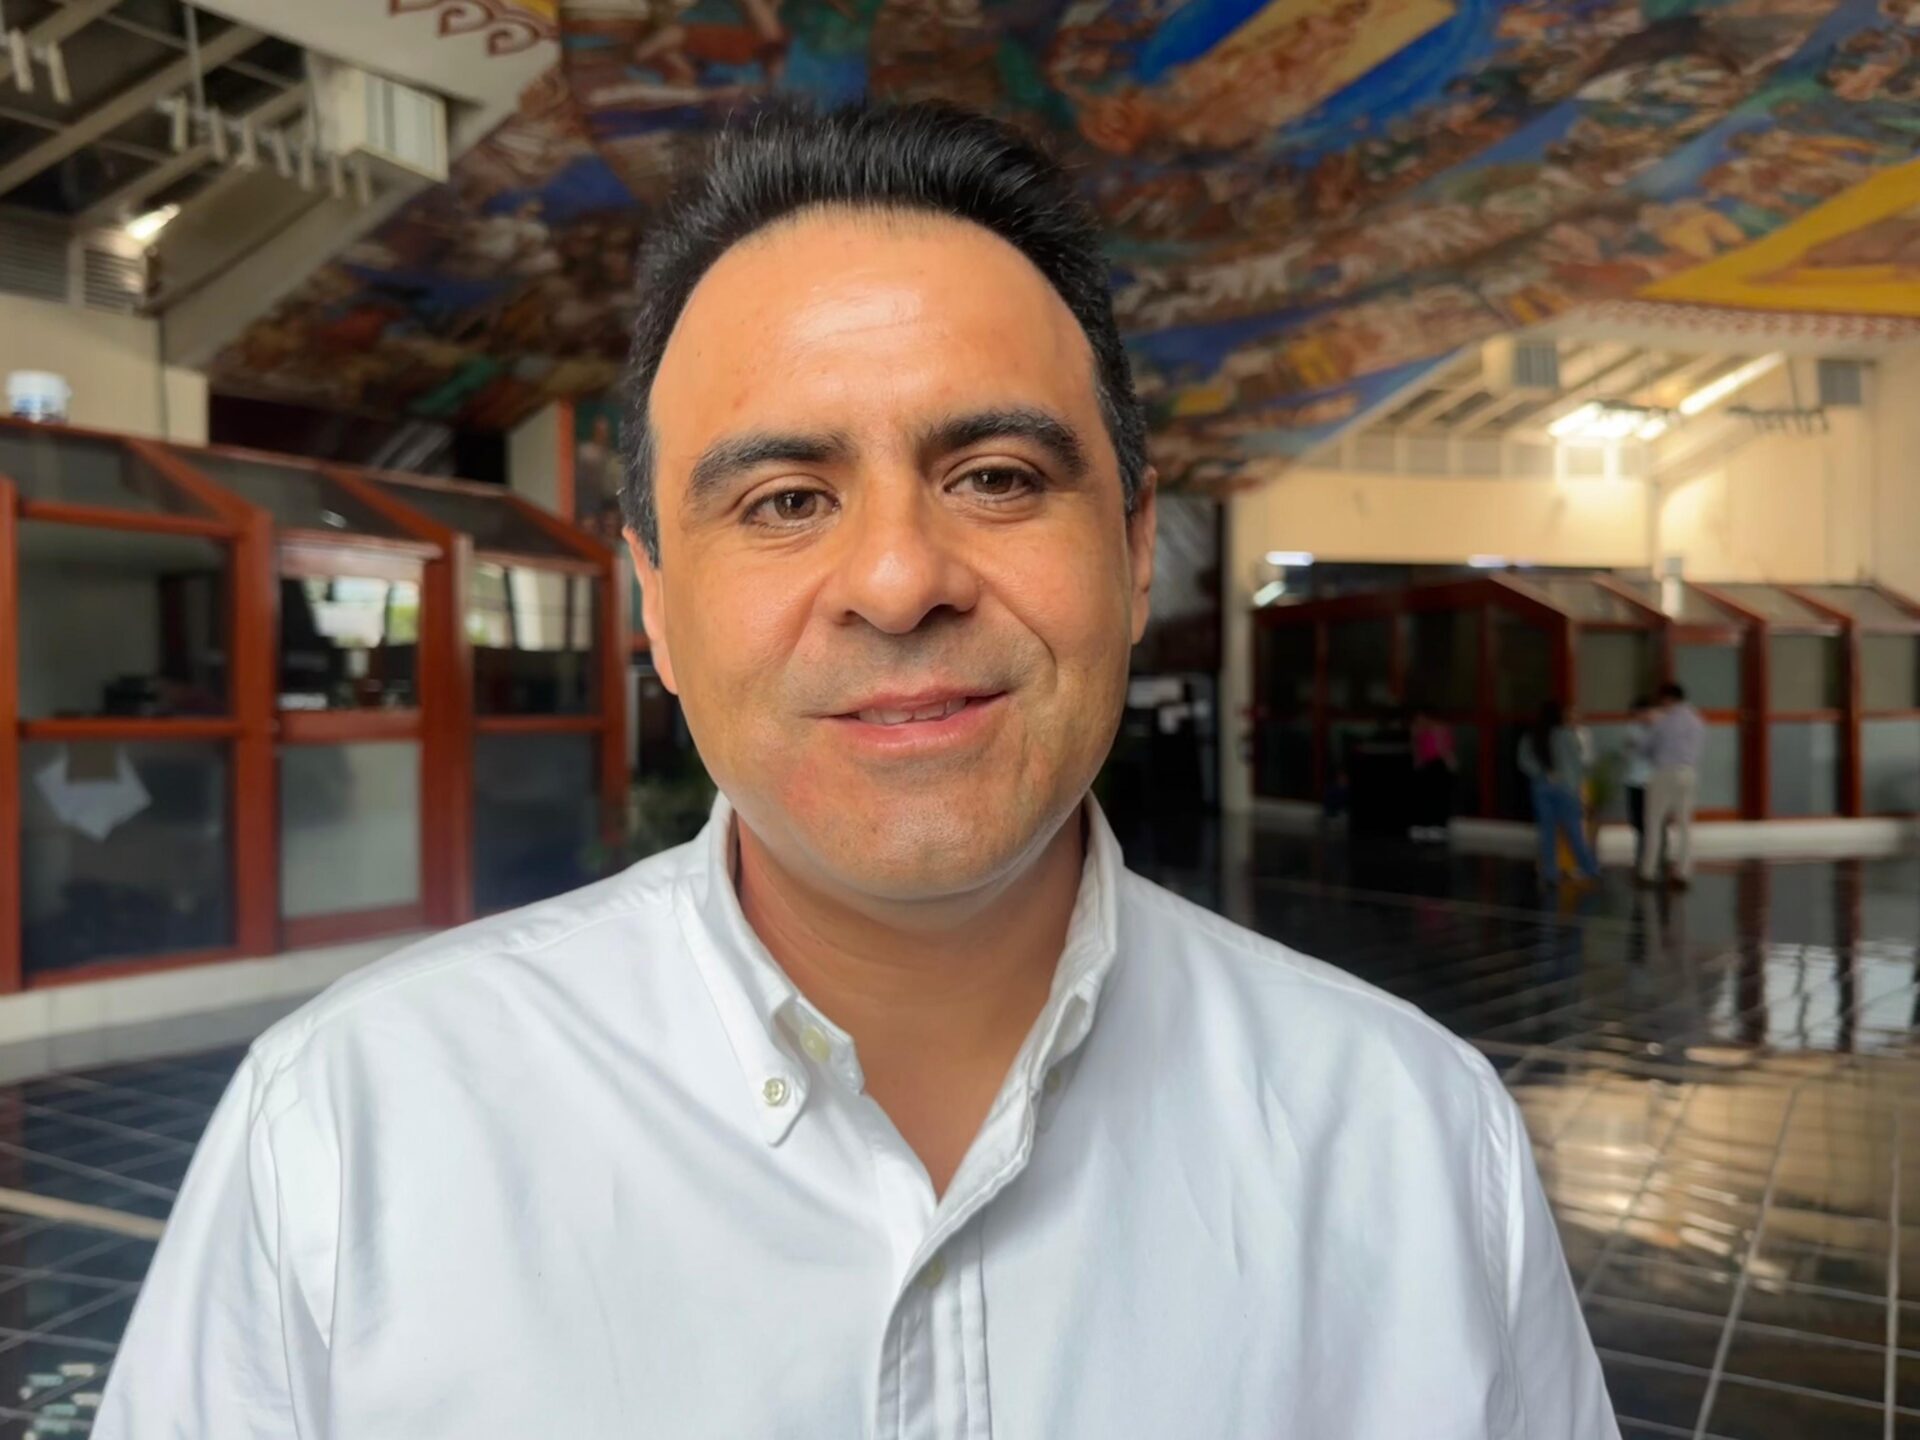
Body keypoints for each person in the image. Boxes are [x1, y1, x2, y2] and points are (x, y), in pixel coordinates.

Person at [97, 104, 1614, 1439]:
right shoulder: (351, 1136)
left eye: (996, 478)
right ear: (655, 603)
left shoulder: (1414, 1143)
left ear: (1136, 548)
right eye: (783, 499)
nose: (898, 581)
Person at [1518, 699, 1603, 888]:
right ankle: (1590, 868)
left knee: (1547, 832)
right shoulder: (1566, 735)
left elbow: (1523, 761)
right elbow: (1577, 765)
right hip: (1566, 788)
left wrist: (1544, 773)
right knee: (1574, 831)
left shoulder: (1530, 736)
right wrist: (1577, 788)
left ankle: (1550, 872)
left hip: (1540, 787)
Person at [1641, 680, 1706, 889]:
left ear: (1667, 699)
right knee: (1685, 825)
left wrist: (1650, 724)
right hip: (1688, 773)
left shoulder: (1663, 720)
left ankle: (1648, 871)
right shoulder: (1696, 720)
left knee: (1654, 822)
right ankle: (1683, 872)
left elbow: (1646, 748)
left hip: (1665, 772)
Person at [1410, 708, 1457, 841]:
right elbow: (1417, 749)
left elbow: (1444, 749)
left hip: (1438, 765)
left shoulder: (1440, 729)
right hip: (1426, 765)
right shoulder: (1418, 730)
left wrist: (1450, 762)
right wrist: (1417, 762)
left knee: (1438, 796)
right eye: (1417, 719)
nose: (1420, 721)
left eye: (1422, 718)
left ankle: (1438, 826)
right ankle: (1425, 825)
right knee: (1425, 797)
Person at [1622, 695, 1657, 872]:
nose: (1640, 716)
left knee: (1652, 821)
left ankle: (1652, 857)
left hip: (1650, 781)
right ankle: (1641, 855)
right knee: (1636, 821)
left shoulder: (1657, 729)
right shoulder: (1631, 728)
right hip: (1633, 780)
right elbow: (1631, 749)